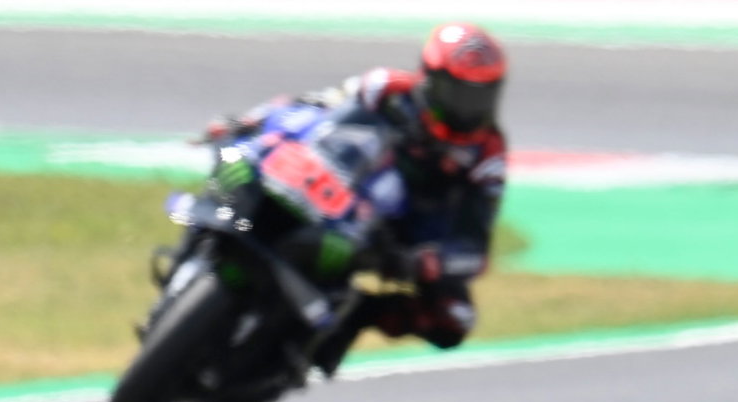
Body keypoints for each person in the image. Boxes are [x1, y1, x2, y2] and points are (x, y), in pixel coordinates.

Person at [200, 23, 509, 363]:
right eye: (460, 94)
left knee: (455, 318)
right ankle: (205, 240)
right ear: (431, 80)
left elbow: (475, 245)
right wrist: (250, 122)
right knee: (237, 156)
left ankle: (352, 317)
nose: (470, 108)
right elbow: (315, 108)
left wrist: (434, 260)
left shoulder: (487, 154)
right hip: (337, 184)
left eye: (483, 95)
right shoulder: (385, 88)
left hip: (404, 235)